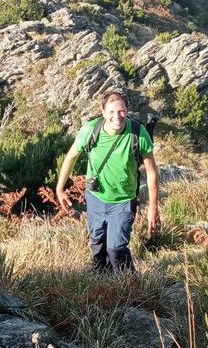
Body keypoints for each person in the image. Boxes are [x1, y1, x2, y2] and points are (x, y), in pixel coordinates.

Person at [55, 90, 160, 271]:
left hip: (123, 200)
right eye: (111, 112)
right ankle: (103, 282)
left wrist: (153, 208)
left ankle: (130, 284)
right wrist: (59, 189)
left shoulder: (138, 133)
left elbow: (152, 172)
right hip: (95, 198)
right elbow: (71, 156)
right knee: (97, 245)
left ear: (127, 110)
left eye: (121, 111)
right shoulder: (90, 130)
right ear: (103, 112)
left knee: (116, 248)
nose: (117, 116)